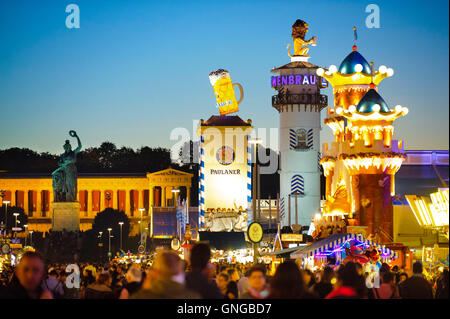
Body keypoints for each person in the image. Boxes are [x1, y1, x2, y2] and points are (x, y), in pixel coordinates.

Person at [131, 251, 200, 299]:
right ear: (180, 271)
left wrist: (145, 288)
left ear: (155, 272)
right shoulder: (193, 296)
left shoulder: (140, 296)